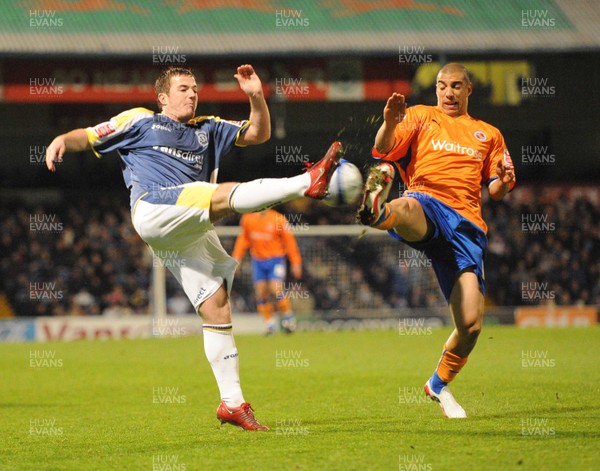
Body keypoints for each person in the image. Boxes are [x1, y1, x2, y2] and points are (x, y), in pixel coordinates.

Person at [46, 64, 343, 430]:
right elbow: (90, 136)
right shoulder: (139, 121)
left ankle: (232, 404)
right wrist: (62, 139)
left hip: (187, 227)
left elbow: (259, 134)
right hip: (154, 207)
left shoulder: (209, 127)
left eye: (194, 89)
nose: (192, 94)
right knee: (220, 194)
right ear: (162, 98)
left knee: (217, 304)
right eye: (183, 89)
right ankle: (307, 182)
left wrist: (255, 96)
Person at [357, 63, 515, 418]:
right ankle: (376, 211)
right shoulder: (420, 116)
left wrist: (503, 181)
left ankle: (437, 384)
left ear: (468, 89)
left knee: (471, 325)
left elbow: (497, 189)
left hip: (467, 230)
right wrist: (389, 122)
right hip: (428, 202)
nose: (448, 92)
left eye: (456, 86)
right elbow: (382, 151)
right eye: (442, 86)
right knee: (410, 205)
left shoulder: (489, 134)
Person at [232, 209, 303, 335]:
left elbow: (289, 241)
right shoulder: (247, 219)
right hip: (258, 261)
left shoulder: (278, 219)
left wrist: (295, 262)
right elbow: (243, 240)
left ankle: (288, 318)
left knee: (276, 289)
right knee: (261, 293)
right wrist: (236, 258)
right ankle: (270, 325)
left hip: (275, 260)